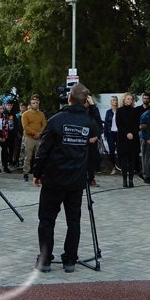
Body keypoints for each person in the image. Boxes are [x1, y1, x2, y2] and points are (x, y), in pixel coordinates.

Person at [32, 83, 94, 273]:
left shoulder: (56, 120)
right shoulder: (88, 121)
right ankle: (70, 260)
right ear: (85, 101)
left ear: (69, 99)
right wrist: (92, 108)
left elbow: (43, 151)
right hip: (76, 180)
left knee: (47, 220)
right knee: (73, 221)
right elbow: (99, 129)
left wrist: (37, 173)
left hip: (54, 179)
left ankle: (45, 260)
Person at [21, 94, 46, 182]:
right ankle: (25, 173)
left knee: (38, 157)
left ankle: (37, 174)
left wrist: (40, 133)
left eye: (37, 102)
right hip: (29, 137)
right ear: (30, 104)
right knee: (28, 157)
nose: (35, 104)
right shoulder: (25, 114)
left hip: (39, 138)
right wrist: (34, 133)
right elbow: (25, 126)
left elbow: (44, 125)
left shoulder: (41, 114)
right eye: (33, 103)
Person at [84, 95, 103, 187]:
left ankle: (91, 178)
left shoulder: (94, 111)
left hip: (93, 139)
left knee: (92, 159)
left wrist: (96, 136)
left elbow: (99, 125)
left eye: (87, 101)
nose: (86, 103)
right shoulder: (78, 112)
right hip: (81, 139)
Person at [138, 92, 150, 182]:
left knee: (148, 157)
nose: (146, 100)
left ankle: (145, 173)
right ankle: (145, 174)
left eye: (147, 98)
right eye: (144, 98)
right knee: (145, 156)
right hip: (142, 136)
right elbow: (138, 124)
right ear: (142, 99)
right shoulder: (138, 109)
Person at [103, 96, 120, 173]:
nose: (115, 101)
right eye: (113, 100)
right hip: (110, 133)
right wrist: (105, 134)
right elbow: (106, 123)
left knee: (120, 150)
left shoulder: (119, 111)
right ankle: (113, 168)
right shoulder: (108, 112)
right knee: (111, 150)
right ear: (111, 102)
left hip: (118, 133)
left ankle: (121, 167)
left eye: (116, 100)